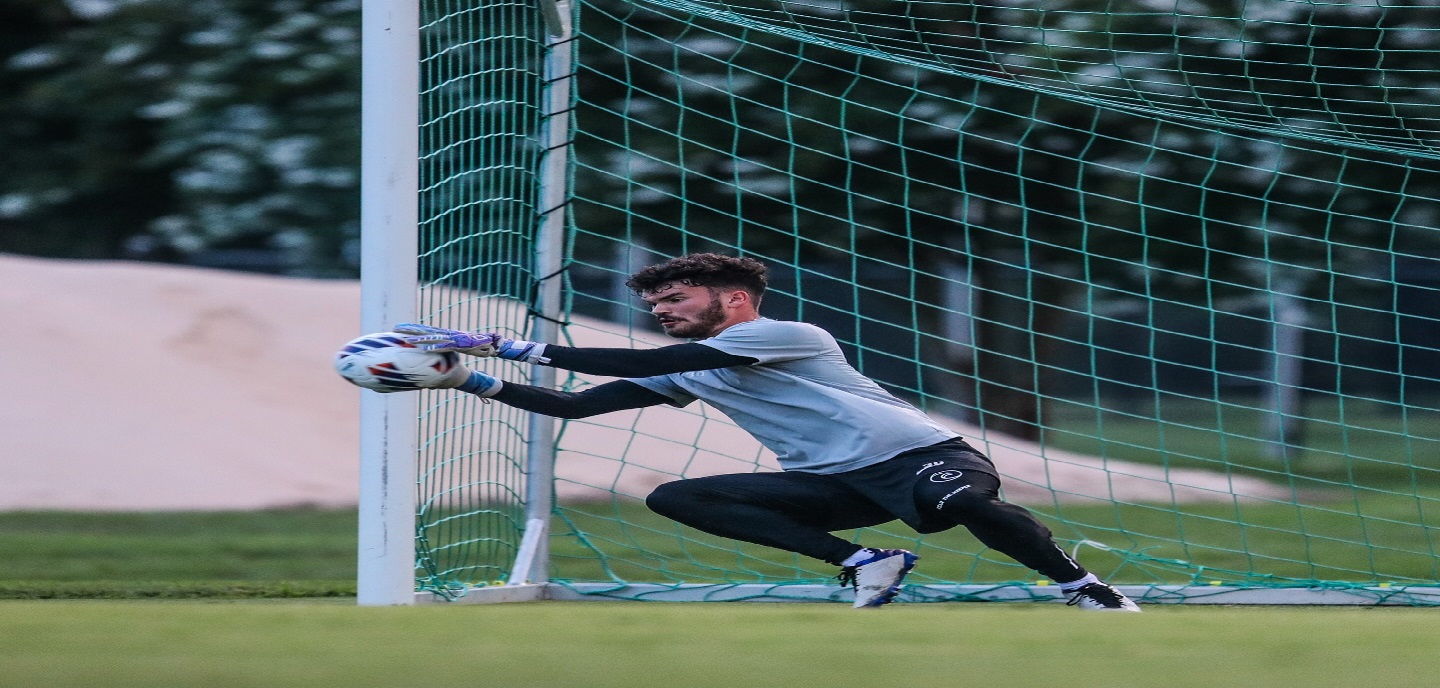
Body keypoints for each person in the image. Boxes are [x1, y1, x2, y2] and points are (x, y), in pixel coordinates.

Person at [394, 253, 1140, 611]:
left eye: (675, 298)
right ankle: (865, 561)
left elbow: (660, 360)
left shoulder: (783, 334)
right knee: (677, 498)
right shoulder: (696, 366)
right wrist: (465, 380)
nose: (662, 310)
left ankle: (1082, 587)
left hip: (919, 456)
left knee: (969, 505)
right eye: (655, 304)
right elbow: (578, 408)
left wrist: (514, 345)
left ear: (736, 300)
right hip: (833, 484)